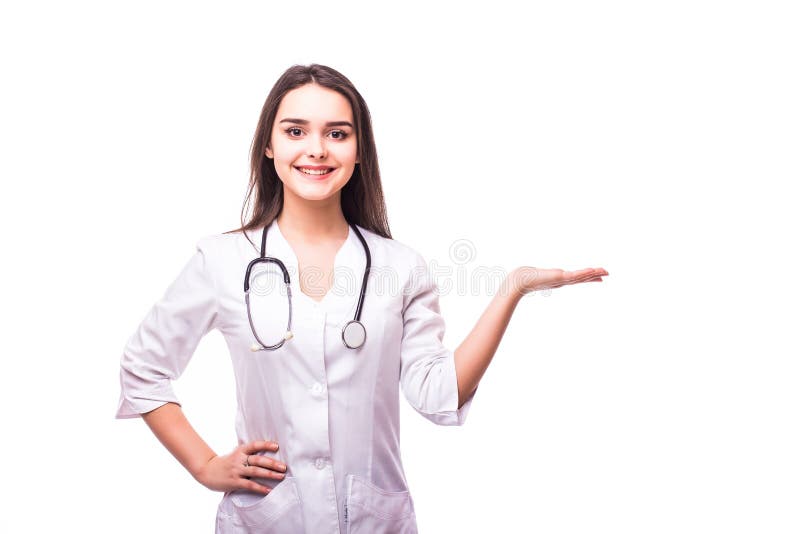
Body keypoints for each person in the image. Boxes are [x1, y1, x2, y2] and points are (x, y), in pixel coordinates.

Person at [115, 63, 609, 534]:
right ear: (268, 146)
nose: (317, 149)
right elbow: (144, 367)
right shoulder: (222, 260)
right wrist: (203, 464)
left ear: (358, 150)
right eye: (295, 131)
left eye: (337, 133)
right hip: (270, 516)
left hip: (374, 518)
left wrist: (512, 287)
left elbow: (439, 396)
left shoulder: (400, 267)